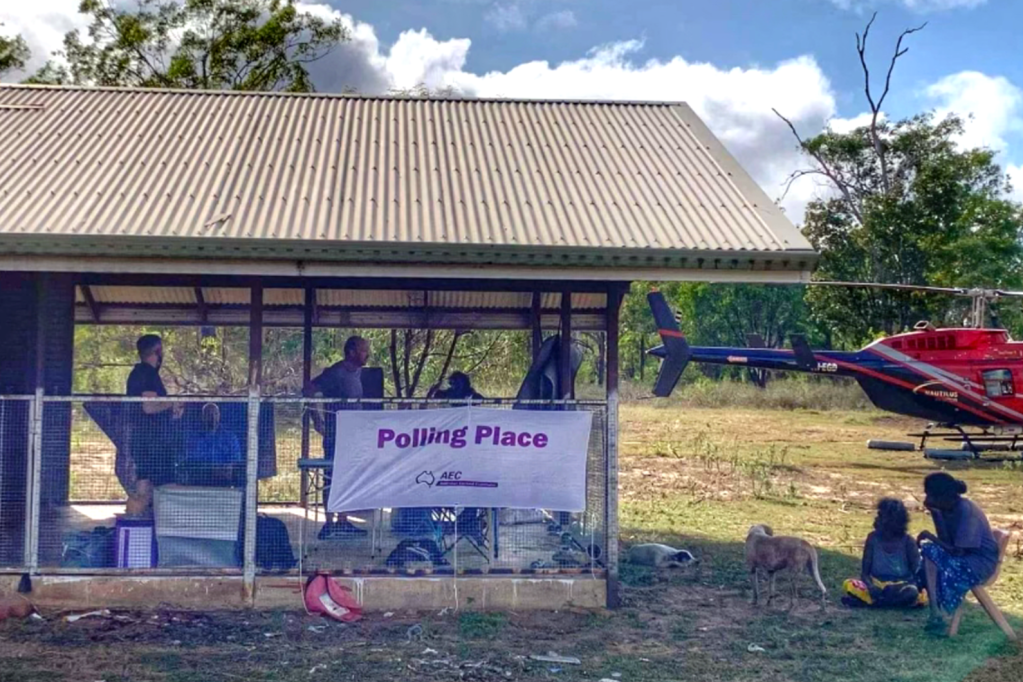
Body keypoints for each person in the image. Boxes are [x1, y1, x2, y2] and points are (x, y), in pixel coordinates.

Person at [917, 472, 1000, 634]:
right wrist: (936, 514)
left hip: (978, 564)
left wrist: (929, 536)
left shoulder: (966, 510)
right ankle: (935, 612)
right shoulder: (948, 509)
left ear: (941, 496)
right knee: (929, 553)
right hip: (963, 558)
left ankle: (938, 612)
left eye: (929, 495)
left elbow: (958, 551)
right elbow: (946, 542)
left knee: (930, 549)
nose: (926, 499)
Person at [307, 335, 371, 537]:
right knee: (331, 476)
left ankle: (343, 520)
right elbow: (308, 389)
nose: (366, 354)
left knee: (348, 477)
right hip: (336, 434)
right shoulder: (336, 372)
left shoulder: (358, 372)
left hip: (354, 435)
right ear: (351, 352)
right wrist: (317, 418)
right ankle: (330, 522)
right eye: (362, 350)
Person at [126, 334, 183, 514]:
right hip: (153, 442)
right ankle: (168, 526)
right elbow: (149, 407)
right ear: (156, 351)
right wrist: (172, 402)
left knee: (144, 485)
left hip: (143, 438)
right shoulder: (147, 374)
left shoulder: (138, 373)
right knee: (166, 485)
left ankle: (138, 523)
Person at [842, 498, 927, 608]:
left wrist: (899, 587)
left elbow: (917, 574)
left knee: (913, 592)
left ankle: (876, 603)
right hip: (878, 585)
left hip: (902, 586)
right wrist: (870, 586)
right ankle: (891, 603)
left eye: (880, 516)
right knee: (849, 584)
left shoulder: (908, 542)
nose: (876, 519)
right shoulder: (872, 538)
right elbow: (865, 573)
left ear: (893, 521)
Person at [182, 403, 242, 486]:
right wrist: (212, 470)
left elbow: (235, 461)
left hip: (223, 482)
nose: (213, 417)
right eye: (209, 414)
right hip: (198, 481)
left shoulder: (230, 437)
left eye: (215, 414)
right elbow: (191, 462)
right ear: (203, 417)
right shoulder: (193, 438)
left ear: (219, 415)